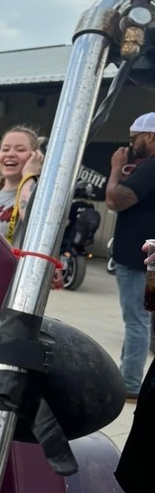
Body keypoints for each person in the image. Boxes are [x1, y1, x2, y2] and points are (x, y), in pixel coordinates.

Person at [106, 112, 155, 400]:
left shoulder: (150, 168)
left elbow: (115, 200)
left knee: (136, 320)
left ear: (150, 136)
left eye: (134, 138)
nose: (131, 144)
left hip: (137, 259)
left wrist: (116, 168)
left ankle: (130, 383)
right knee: (142, 319)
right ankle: (130, 374)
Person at [0, 125, 45, 242]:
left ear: (36, 156)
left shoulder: (41, 192)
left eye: (20, 149)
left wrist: (29, 175)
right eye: (5, 149)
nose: (10, 154)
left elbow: (33, 220)